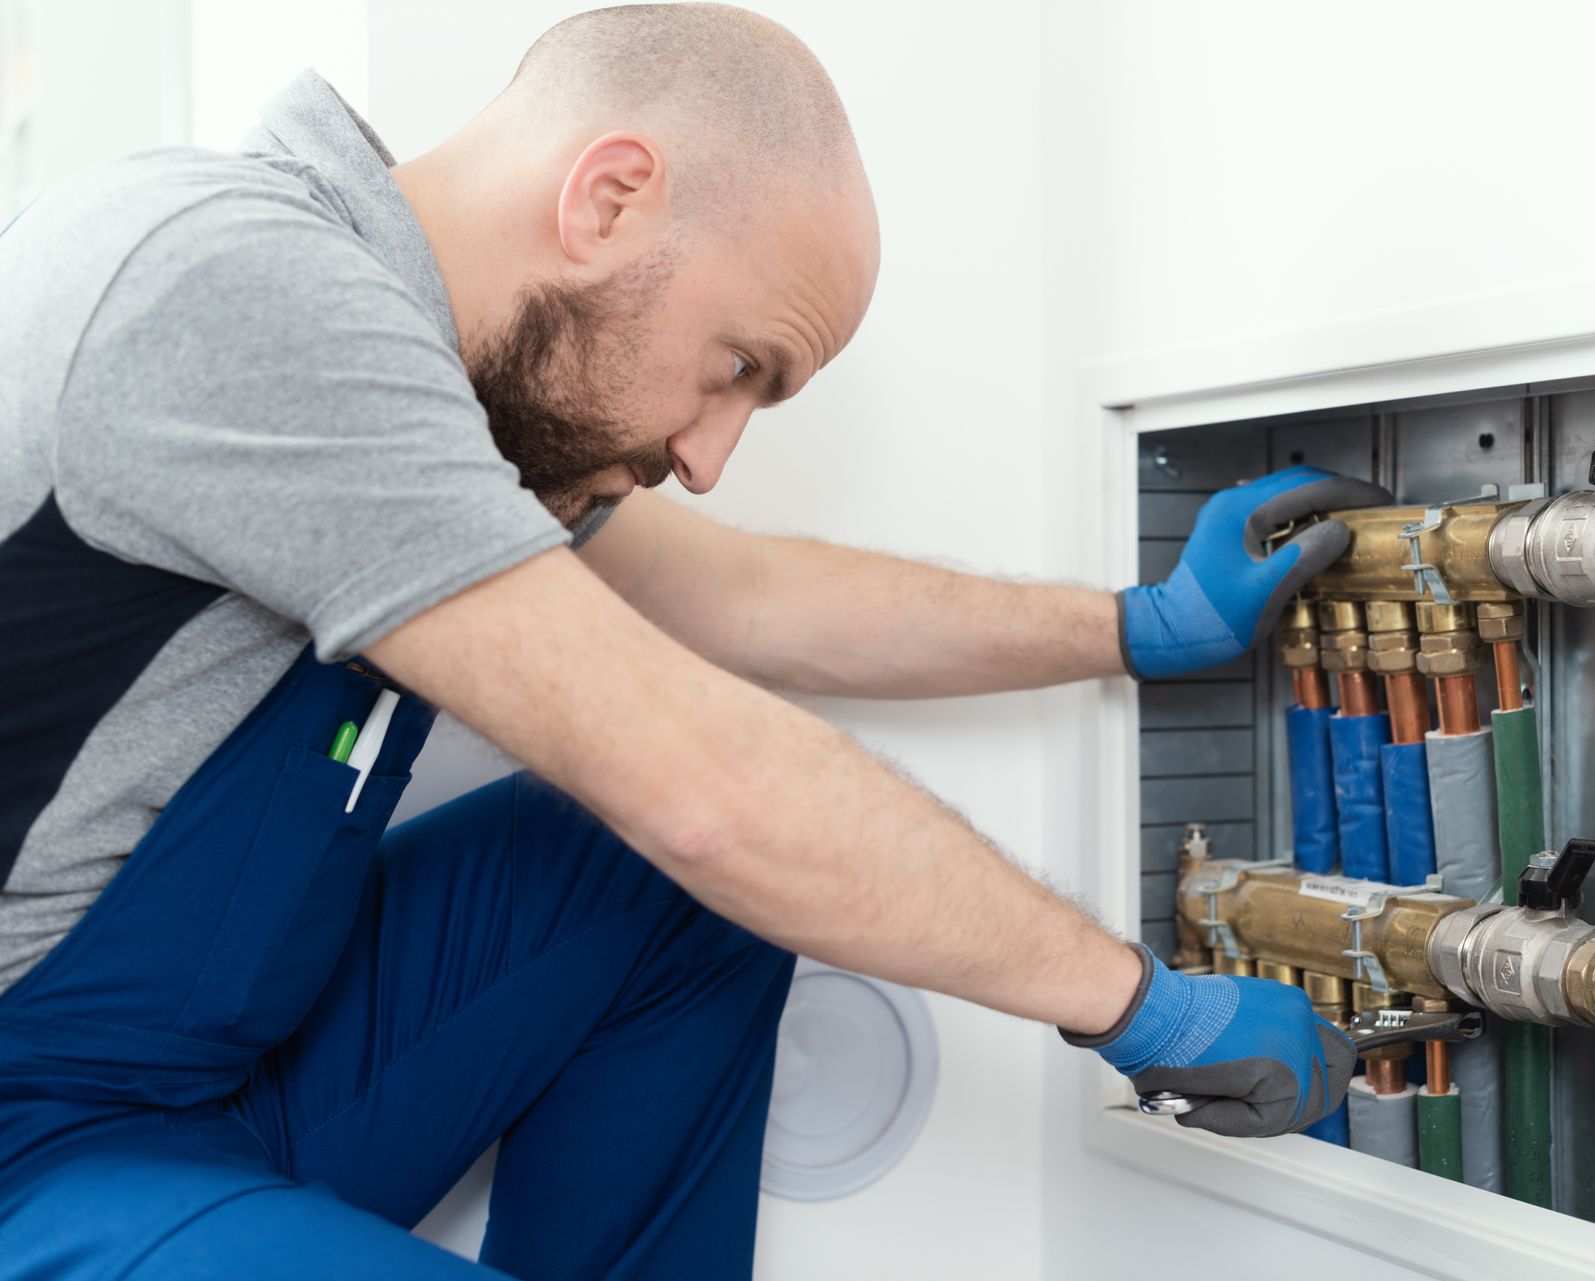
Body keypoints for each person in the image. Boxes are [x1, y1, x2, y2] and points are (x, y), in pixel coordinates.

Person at [0, 6, 1380, 1277]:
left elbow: (754, 599)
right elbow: (713, 788)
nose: (710, 456)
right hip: (29, 1142)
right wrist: (1138, 1004)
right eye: (737, 369)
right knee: (703, 838)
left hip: (198, 1085)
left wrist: (1141, 627)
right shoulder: (235, 291)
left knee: (651, 884)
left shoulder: (429, 390)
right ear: (608, 199)